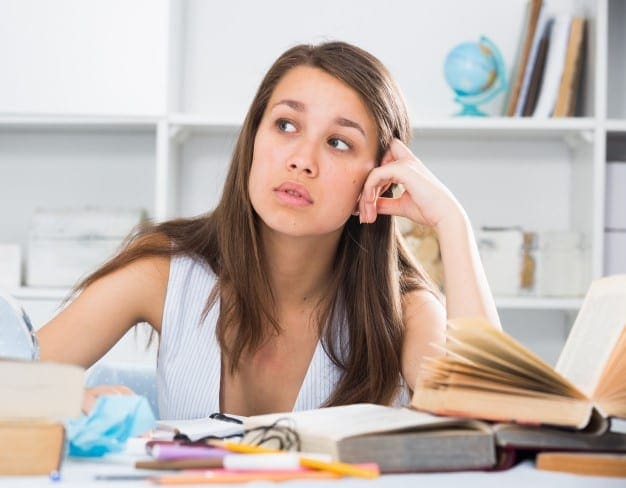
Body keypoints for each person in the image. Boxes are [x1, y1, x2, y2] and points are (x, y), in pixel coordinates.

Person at [36, 41, 501, 419]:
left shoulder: (403, 310)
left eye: (338, 142)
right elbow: (13, 382)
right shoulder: (163, 272)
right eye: (285, 125)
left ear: (379, 175)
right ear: (253, 138)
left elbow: (490, 416)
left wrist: (452, 224)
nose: (301, 159)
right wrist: (69, 399)